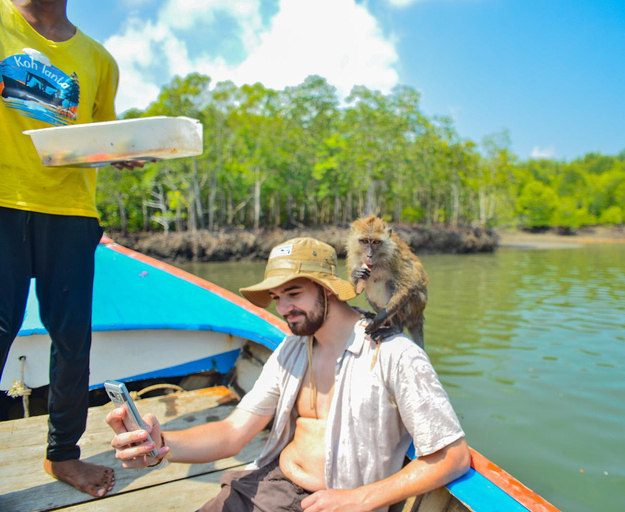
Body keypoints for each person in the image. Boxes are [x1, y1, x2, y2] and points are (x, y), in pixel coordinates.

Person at [107, 237, 471, 512]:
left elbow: (453, 456)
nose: (283, 308)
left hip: (339, 503)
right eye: (277, 297)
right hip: (271, 483)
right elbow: (233, 433)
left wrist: (359, 499)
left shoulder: (395, 354)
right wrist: (160, 444)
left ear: (328, 290)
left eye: (293, 293)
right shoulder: (293, 347)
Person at [0, 0, 142, 498]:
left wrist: (124, 149)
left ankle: (62, 455)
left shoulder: (99, 59)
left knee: (72, 340)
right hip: (3, 201)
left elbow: (97, 138)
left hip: (71, 212)